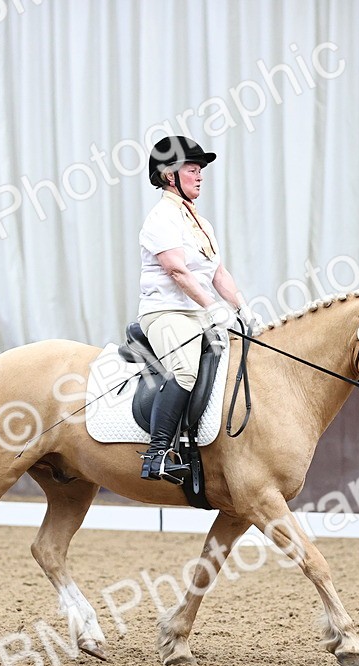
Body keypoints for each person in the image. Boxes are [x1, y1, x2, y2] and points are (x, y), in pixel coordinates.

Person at [137, 136, 256, 483]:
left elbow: (218, 272)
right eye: (192, 169)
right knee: (186, 369)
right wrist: (213, 308)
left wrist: (241, 307)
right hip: (166, 312)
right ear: (170, 176)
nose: (200, 175)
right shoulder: (160, 218)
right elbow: (177, 271)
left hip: (198, 311)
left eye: (200, 169)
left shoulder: (201, 223)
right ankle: (157, 454)